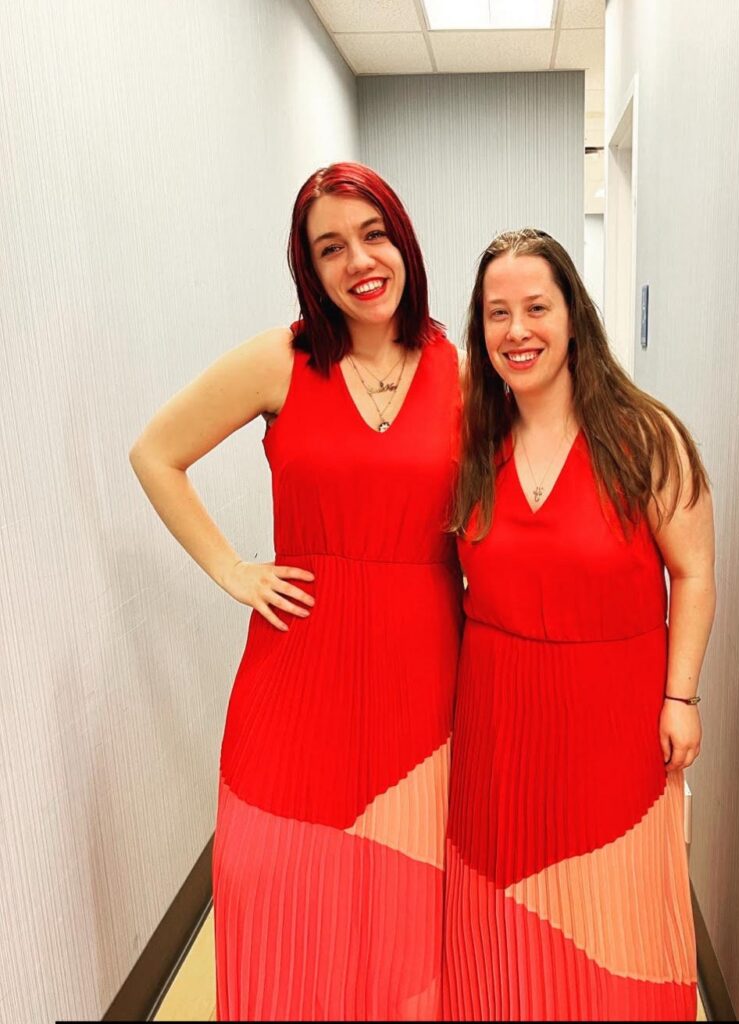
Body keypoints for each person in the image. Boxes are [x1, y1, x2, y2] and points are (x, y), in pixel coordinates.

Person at [129, 162, 462, 1021]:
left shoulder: (458, 372)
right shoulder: (280, 360)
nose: (359, 261)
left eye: (373, 235)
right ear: (308, 268)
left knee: (402, 894)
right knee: (275, 879)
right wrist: (230, 568)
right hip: (300, 663)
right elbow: (156, 453)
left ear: (403, 240)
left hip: (423, 669)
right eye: (330, 248)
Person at [444, 229, 715, 1021]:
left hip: (611, 716)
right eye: (497, 313)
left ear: (573, 316)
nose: (516, 330)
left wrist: (681, 697)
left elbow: (694, 572)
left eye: (536, 307)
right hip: (496, 721)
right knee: (502, 916)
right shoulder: (472, 443)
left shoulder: (644, 436)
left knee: (611, 908)